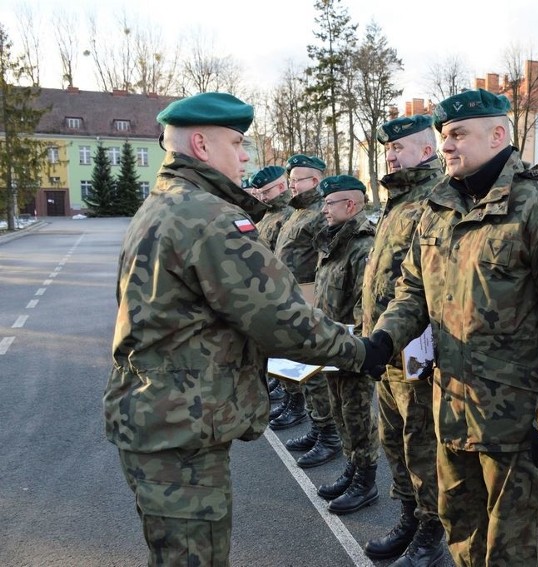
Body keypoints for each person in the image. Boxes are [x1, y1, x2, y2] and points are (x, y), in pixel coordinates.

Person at [103, 92, 378, 565]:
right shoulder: (207, 217)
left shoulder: (163, 205)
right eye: (237, 142)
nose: (246, 155)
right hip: (181, 430)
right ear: (203, 146)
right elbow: (282, 320)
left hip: (160, 419)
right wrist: (362, 350)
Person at [361, 89, 538, 566]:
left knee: (509, 549)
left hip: (514, 419)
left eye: (458, 134)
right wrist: (383, 339)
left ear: (498, 135)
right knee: (461, 534)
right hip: (451, 407)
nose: (447, 146)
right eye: (444, 136)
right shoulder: (438, 206)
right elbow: (412, 291)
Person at [361, 114, 447, 566]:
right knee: (393, 440)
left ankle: (433, 530)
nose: (390, 155)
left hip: (416, 352)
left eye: (400, 148)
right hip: (387, 348)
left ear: (426, 151)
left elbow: (428, 286)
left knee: (422, 445)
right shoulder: (397, 202)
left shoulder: (435, 201)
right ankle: (410, 516)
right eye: (388, 150)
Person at [305, 174, 382, 516]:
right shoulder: (334, 240)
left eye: (329, 203)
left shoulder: (362, 245)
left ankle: (366, 480)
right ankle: (352, 467)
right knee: (339, 411)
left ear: (350, 205)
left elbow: (363, 306)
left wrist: (352, 347)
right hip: (332, 346)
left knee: (357, 415)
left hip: (351, 348)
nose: (323, 209)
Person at [270, 155, 342, 469]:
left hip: (309, 299)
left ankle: (329, 435)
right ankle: (317, 426)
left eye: (298, 179)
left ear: (314, 181)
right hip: (291, 298)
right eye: (291, 179)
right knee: (301, 367)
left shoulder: (318, 214)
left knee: (315, 373)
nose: (292, 185)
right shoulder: (298, 212)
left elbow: (331, 262)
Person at [246, 165, 295, 402]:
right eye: (260, 193)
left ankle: (294, 400)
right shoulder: (268, 214)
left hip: (281, 291)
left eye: (266, 192)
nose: (263, 197)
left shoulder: (288, 214)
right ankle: (284, 389)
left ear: (281, 186)